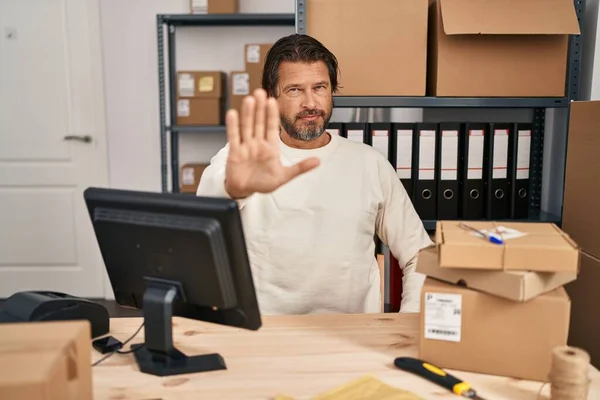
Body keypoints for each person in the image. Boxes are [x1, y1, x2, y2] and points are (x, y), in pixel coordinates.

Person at [197, 33, 433, 315]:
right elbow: (203, 221)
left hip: (353, 337)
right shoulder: (247, 158)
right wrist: (233, 191)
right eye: (295, 90)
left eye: (319, 87)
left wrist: (408, 321)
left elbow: (419, 253)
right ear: (273, 97)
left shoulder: (370, 163)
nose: (310, 103)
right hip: (265, 334)